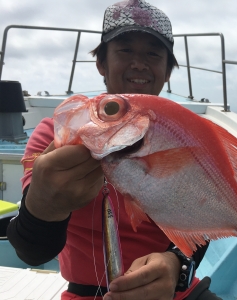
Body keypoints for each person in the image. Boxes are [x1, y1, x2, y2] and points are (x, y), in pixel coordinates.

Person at [7, 1, 221, 299]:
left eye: (153, 53)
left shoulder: (184, 136)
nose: (139, 63)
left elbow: (201, 224)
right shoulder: (58, 133)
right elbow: (32, 251)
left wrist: (176, 265)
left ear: (167, 70)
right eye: (125, 50)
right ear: (101, 64)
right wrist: (44, 206)